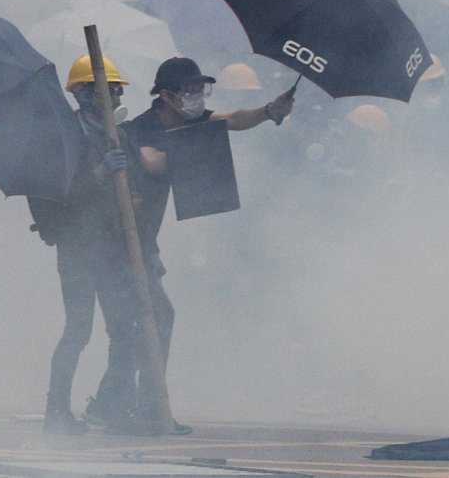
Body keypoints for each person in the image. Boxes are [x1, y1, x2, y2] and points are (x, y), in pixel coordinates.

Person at [105, 56, 294, 434]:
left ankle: (123, 406)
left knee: (146, 322)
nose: (196, 97)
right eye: (189, 90)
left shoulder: (192, 122)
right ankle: (133, 408)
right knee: (145, 321)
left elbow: (232, 120)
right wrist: (198, 150)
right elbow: (153, 162)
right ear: (167, 95)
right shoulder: (140, 128)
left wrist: (270, 111)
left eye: (200, 90)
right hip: (114, 242)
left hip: (144, 242)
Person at [27, 53, 142, 435]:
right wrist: (99, 173)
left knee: (125, 329)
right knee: (78, 329)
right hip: (78, 247)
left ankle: (110, 406)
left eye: (116, 89)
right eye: (107, 89)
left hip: (113, 246)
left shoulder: (116, 134)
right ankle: (56, 412)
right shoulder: (65, 136)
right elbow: (61, 193)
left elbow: (132, 188)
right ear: (84, 93)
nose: (114, 95)